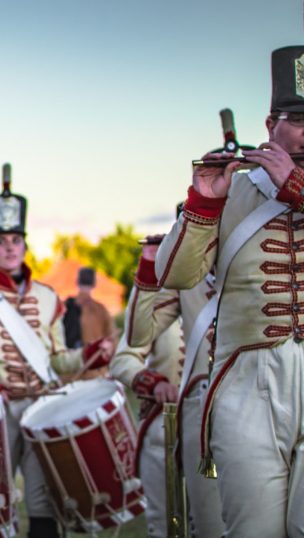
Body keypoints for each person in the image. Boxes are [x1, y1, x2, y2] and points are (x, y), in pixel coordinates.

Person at [155, 46, 304, 535]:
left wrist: (295, 186)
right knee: (251, 527)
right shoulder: (235, 191)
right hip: (245, 381)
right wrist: (201, 204)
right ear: (270, 125)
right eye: (299, 120)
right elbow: (174, 276)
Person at [0, 167, 113, 538]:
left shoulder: (48, 298)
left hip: (40, 409)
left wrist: (93, 353)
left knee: (43, 501)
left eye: (17, 238)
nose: (10, 246)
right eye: (1, 239)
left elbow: (58, 360)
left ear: (26, 245)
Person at [120, 232, 223, 537]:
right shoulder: (165, 295)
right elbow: (126, 354)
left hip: (235, 407)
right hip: (170, 418)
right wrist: (152, 382)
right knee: (172, 521)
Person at [108, 236, 184, 538]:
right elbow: (124, 359)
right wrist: (153, 383)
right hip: (165, 423)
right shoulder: (156, 299)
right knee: (164, 523)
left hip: (228, 420)